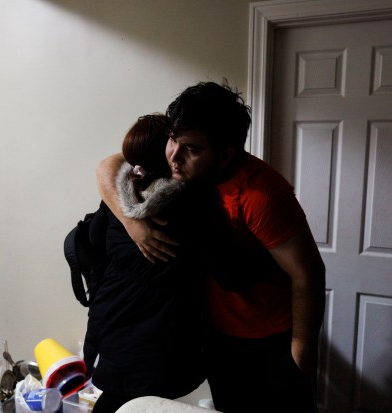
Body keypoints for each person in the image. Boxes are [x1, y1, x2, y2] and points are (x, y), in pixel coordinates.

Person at [96, 81, 326, 412]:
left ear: (225, 155)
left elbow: (308, 273)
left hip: (267, 338)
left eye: (191, 149)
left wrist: (300, 356)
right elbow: (108, 164)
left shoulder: (260, 195)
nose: (174, 156)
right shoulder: (180, 163)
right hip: (215, 336)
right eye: (172, 141)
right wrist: (133, 223)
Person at [85, 114, 247, 413]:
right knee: (137, 404)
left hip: (108, 317)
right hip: (157, 339)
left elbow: (94, 237)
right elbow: (229, 275)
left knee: (117, 400)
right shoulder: (192, 204)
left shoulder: (122, 191)